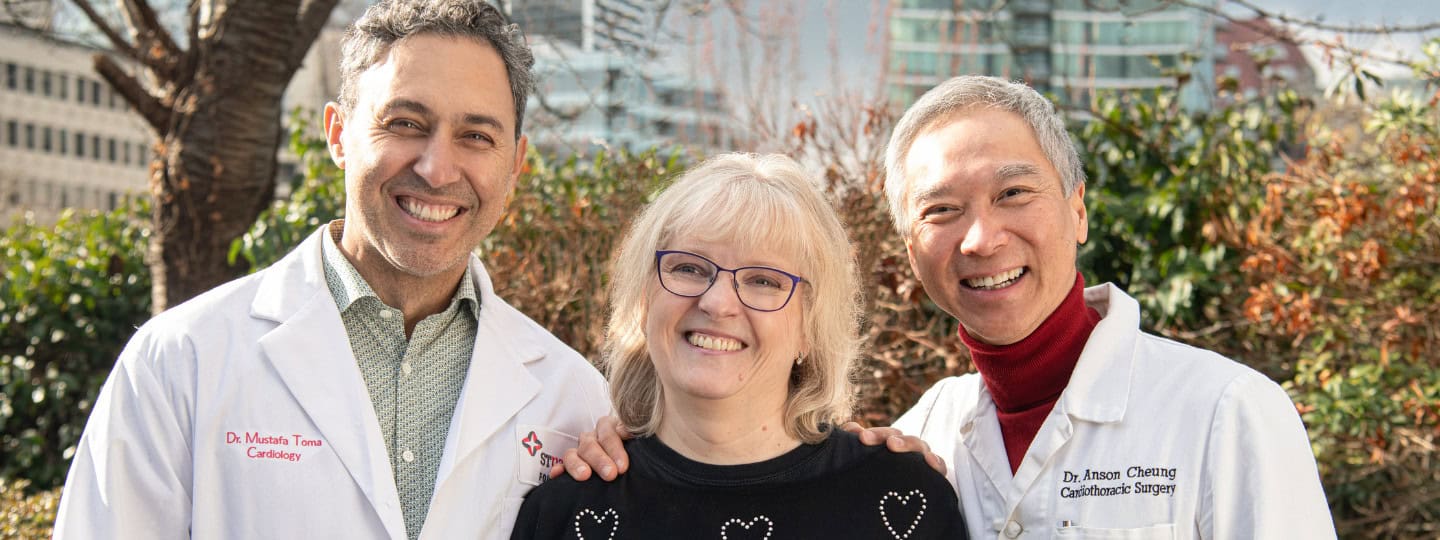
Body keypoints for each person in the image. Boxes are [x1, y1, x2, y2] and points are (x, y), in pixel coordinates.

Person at [562, 76, 1337, 539]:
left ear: (1078, 211)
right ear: (909, 249)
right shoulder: (924, 437)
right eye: (941, 210)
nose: (980, 238)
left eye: (1013, 194)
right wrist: (631, 434)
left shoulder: (1228, 413)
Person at [53, 2, 608, 539]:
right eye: (406, 123)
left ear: (514, 166)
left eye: (476, 136)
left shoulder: (573, 398)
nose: (437, 170)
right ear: (339, 135)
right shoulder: (179, 362)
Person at [509, 153, 967, 539]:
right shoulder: (564, 513)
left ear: (811, 325)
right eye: (689, 268)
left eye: (763, 280)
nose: (717, 302)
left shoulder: (905, 503)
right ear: (645, 299)